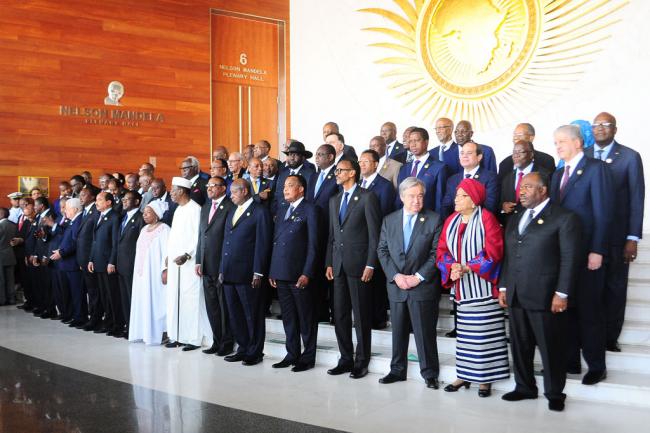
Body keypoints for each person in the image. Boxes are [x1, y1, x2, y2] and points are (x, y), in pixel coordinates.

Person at [499, 172, 581, 412]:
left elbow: (570, 259)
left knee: (550, 347)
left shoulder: (564, 218)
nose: (521, 191)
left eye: (527, 187)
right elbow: (509, 255)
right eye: (521, 187)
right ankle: (524, 387)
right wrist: (504, 286)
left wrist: (562, 293)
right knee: (519, 345)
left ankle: (555, 393)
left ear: (543, 190)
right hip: (516, 293)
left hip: (545, 296)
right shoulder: (516, 217)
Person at [550, 124, 613, 385]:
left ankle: (596, 366)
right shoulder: (557, 174)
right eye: (555, 142)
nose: (558, 146)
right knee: (567, 311)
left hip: (588, 253)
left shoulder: (596, 169)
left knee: (589, 312)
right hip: (564, 256)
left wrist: (597, 249)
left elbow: (603, 213)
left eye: (562, 141)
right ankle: (571, 362)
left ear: (578, 143)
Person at [436, 178, 509, 397]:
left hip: (483, 289)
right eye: (457, 195)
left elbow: (494, 252)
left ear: (474, 199)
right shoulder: (451, 220)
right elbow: (442, 251)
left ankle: (485, 380)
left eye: (462, 196)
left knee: (484, 337)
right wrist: (451, 267)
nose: (456, 199)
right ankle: (464, 375)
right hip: (461, 290)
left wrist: (468, 267)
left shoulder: (487, 218)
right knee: (465, 338)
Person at [585, 112, 645, 353]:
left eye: (605, 124)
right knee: (592, 289)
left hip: (618, 236)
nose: (600, 128)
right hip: (589, 238)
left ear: (615, 129)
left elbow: (636, 198)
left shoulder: (629, 157)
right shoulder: (584, 155)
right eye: (596, 125)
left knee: (615, 288)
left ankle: (610, 336)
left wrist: (633, 238)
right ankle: (591, 335)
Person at [377, 177, 443, 389]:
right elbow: (382, 250)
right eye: (412, 196)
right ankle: (397, 370)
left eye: (420, 196)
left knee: (425, 333)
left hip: (422, 286)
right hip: (396, 286)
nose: (417, 200)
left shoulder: (434, 219)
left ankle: (429, 373)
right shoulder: (389, 220)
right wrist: (396, 276)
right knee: (398, 332)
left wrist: (417, 277)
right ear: (402, 197)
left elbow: (436, 254)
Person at [325, 159, 382, 379]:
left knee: (361, 316)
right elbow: (332, 235)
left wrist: (371, 263)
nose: (336, 174)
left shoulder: (367, 197)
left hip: (359, 266)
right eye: (336, 170)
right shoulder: (334, 200)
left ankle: (362, 361)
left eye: (340, 170)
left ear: (352, 173)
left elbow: (375, 235)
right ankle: (345, 358)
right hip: (338, 265)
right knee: (340, 315)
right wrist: (329, 262)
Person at [269, 175, 319, 372]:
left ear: (301, 189)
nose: (285, 189)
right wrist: (273, 270)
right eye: (284, 186)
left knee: (306, 317)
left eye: (290, 186)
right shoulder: (282, 210)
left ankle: (308, 357)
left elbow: (314, 244)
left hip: (299, 273)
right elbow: (276, 242)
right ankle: (292, 354)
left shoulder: (310, 209)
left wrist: (307, 272)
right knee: (288, 317)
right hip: (281, 271)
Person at [220, 179, 272, 365]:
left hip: (248, 273)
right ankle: (242, 348)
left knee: (252, 315)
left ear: (244, 191)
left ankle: (255, 351)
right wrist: (222, 268)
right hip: (229, 271)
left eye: (234, 192)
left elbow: (263, 243)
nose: (231, 196)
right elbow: (226, 241)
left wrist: (258, 272)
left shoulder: (260, 211)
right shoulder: (232, 210)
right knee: (235, 314)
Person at [164, 177, 210, 351]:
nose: (171, 193)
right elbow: (175, 236)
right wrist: (168, 255)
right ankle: (178, 336)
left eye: (173, 190)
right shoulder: (178, 209)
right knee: (176, 299)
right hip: (175, 263)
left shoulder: (195, 209)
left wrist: (187, 254)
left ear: (182, 191)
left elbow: (198, 237)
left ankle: (193, 338)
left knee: (191, 300)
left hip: (189, 263)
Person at [195, 176, 236, 356]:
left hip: (221, 264)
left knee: (224, 306)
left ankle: (227, 343)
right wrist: (198, 260)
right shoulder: (205, 207)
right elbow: (201, 235)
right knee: (212, 306)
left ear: (223, 188)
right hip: (206, 264)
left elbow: (229, 238)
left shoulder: (230, 206)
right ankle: (216, 341)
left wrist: (224, 265)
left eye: (214, 185)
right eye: (208, 185)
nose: (209, 188)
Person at [129, 201, 170, 345]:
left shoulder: (164, 229)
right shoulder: (144, 229)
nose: (145, 215)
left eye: (148, 212)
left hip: (155, 273)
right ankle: (143, 332)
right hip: (142, 274)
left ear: (156, 214)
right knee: (142, 300)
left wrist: (166, 270)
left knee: (158, 301)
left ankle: (161, 332)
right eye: (144, 213)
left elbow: (168, 252)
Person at [88, 192, 123, 336]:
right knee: (103, 296)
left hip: (108, 263)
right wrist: (91, 259)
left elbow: (115, 243)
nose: (96, 202)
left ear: (109, 202)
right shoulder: (99, 215)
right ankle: (108, 323)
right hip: (98, 261)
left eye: (100, 200)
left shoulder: (114, 217)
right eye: (96, 200)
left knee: (112, 296)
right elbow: (94, 240)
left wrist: (112, 261)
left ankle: (117, 325)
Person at [50, 197, 86, 327]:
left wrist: (62, 252)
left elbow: (75, 243)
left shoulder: (78, 221)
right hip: (67, 263)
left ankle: (80, 317)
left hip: (73, 263)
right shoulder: (72, 221)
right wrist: (60, 250)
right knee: (71, 292)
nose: (65, 211)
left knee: (77, 293)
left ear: (75, 209)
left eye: (67, 209)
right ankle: (74, 315)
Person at [440, 141, 499, 219]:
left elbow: (490, 207)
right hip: (456, 223)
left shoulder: (490, 177)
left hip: (480, 222)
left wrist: (468, 220)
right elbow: (446, 207)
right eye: (462, 153)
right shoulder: (452, 180)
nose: (464, 156)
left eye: (469, 153)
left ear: (479, 157)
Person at [499, 140, 550, 227]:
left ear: (531, 154)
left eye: (520, 152)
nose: (516, 155)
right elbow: (501, 201)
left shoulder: (545, 175)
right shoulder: (507, 177)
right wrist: (503, 206)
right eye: (514, 152)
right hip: (511, 226)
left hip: (536, 225)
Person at [396, 127, 447, 213]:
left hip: (428, 217)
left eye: (417, 140)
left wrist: (437, 220)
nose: (413, 144)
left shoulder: (439, 167)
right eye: (410, 141)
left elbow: (440, 200)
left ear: (426, 142)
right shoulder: (404, 168)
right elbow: (399, 197)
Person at [116, 191, 145, 337]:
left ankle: (135, 329)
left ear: (137, 202)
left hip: (132, 264)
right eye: (123, 199)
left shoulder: (140, 218)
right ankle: (128, 327)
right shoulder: (124, 217)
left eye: (128, 199)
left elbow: (142, 244)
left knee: (133, 298)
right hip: (121, 264)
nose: (124, 201)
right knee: (124, 299)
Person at [273, 141, 316, 215]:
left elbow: (309, 197)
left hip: (301, 213)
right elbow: (277, 195)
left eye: (295, 155)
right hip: (282, 213)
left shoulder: (310, 174)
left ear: (303, 157)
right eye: (290, 154)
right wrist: (276, 213)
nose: (292, 158)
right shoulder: (283, 172)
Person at [0, 208, 17, 306]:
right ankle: (11, 299)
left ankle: (2, 300)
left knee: (1, 279)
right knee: (10, 279)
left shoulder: (1, 225)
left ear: (1, 214)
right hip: (10, 254)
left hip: (1, 255)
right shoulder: (13, 224)